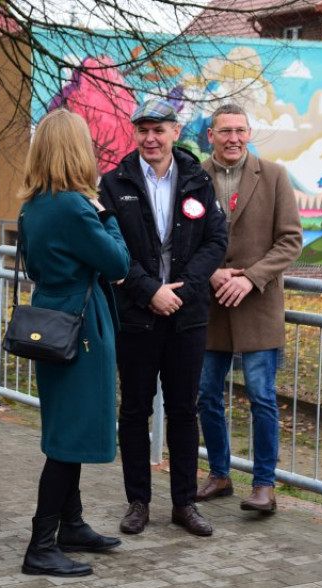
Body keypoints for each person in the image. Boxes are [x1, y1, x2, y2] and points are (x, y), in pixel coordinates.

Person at [99, 98, 228, 537]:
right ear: (134, 134)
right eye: (143, 131)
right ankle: (138, 501)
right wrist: (149, 290)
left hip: (187, 317)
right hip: (136, 316)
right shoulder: (113, 184)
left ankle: (184, 503)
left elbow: (216, 241)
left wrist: (184, 290)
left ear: (176, 131)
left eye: (159, 130)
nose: (151, 139)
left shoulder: (197, 179)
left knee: (183, 411)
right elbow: (109, 249)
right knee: (134, 410)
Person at [16, 109, 131, 577]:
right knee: (67, 439)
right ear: (77, 150)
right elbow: (118, 262)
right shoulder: (74, 206)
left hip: (54, 322)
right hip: (81, 330)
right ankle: (40, 544)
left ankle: (72, 524)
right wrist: (107, 215)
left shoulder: (35, 205)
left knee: (70, 427)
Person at [195, 103, 302, 512]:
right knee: (206, 394)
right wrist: (213, 274)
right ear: (211, 135)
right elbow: (182, 240)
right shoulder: (194, 177)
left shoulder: (273, 176)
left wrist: (250, 277)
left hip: (258, 304)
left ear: (249, 132)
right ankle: (219, 474)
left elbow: (290, 240)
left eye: (240, 130)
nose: (233, 138)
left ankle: (264, 485)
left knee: (261, 396)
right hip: (211, 305)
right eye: (225, 131)